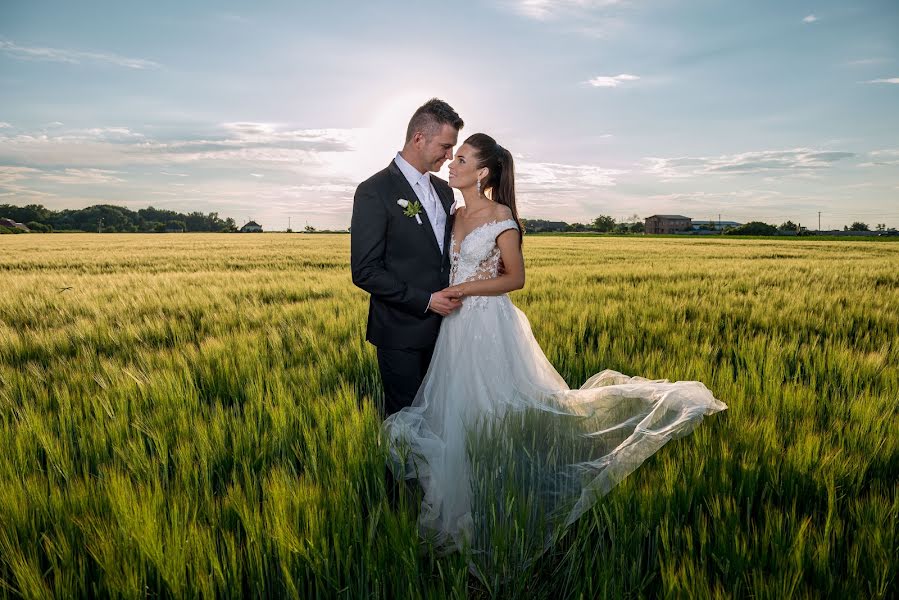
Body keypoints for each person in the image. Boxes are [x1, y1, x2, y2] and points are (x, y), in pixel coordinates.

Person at [382, 132, 728, 580]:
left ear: (482, 172)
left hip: (485, 321)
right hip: (455, 325)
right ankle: (462, 495)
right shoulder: (453, 211)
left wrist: (462, 289)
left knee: (497, 408)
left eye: (462, 158)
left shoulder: (500, 216)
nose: (453, 163)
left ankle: (498, 492)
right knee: (457, 410)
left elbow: (515, 278)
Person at [351, 98, 465, 419]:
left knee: (439, 419)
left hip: (445, 332)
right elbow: (365, 271)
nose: (450, 156)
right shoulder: (374, 190)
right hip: (400, 333)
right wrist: (427, 300)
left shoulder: (445, 191)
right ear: (418, 138)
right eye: (445, 146)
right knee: (405, 424)